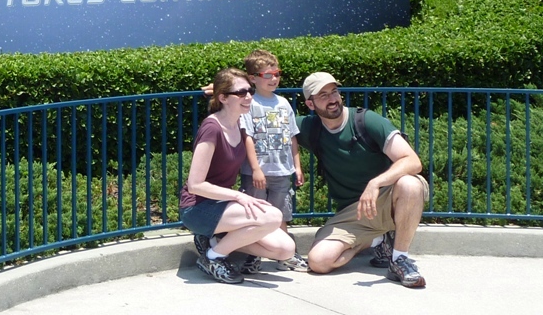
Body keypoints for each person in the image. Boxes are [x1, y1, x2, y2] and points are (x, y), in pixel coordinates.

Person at [297, 72, 429, 288]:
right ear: (310, 104)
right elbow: (273, 126)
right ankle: (378, 240)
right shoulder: (309, 127)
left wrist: (375, 183)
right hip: (353, 213)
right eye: (323, 95)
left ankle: (399, 259)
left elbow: (412, 161)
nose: (332, 99)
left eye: (334, 92)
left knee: (411, 184)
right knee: (319, 261)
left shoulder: (365, 120)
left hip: (385, 199)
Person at [180, 68, 296, 283]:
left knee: (285, 249)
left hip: (224, 206)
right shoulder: (212, 128)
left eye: (249, 91)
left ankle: (215, 241)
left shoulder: (240, 123)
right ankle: (213, 257)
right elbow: (195, 184)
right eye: (241, 93)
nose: (249, 97)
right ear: (223, 98)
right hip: (198, 208)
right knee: (272, 216)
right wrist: (239, 196)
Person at [239, 49, 309, 271]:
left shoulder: (284, 103)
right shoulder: (250, 103)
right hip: (257, 173)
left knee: (280, 215)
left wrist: (297, 166)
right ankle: (253, 256)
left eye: (276, 74)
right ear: (253, 78)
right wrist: (255, 169)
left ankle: (286, 256)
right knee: (256, 216)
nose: (274, 79)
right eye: (267, 75)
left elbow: (292, 137)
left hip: (282, 171)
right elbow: (247, 137)